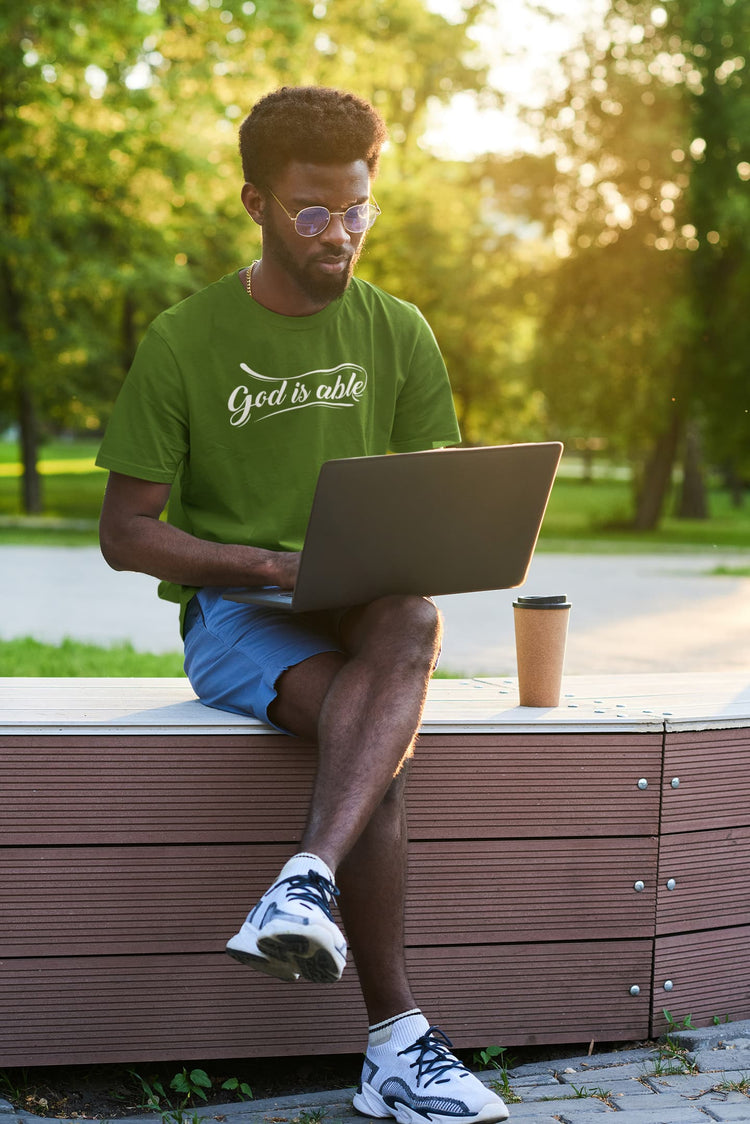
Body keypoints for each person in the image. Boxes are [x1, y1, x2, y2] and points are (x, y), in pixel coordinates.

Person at [96, 86, 509, 1124]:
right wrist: (272, 566)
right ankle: (399, 1043)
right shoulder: (185, 338)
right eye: (313, 213)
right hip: (241, 614)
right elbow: (126, 531)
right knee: (373, 740)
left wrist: (419, 546)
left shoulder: (401, 331)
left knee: (412, 619)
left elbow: (429, 503)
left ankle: (305, 879)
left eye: (359, 209)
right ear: (256, 204)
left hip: (363, 605)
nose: (341, 236)